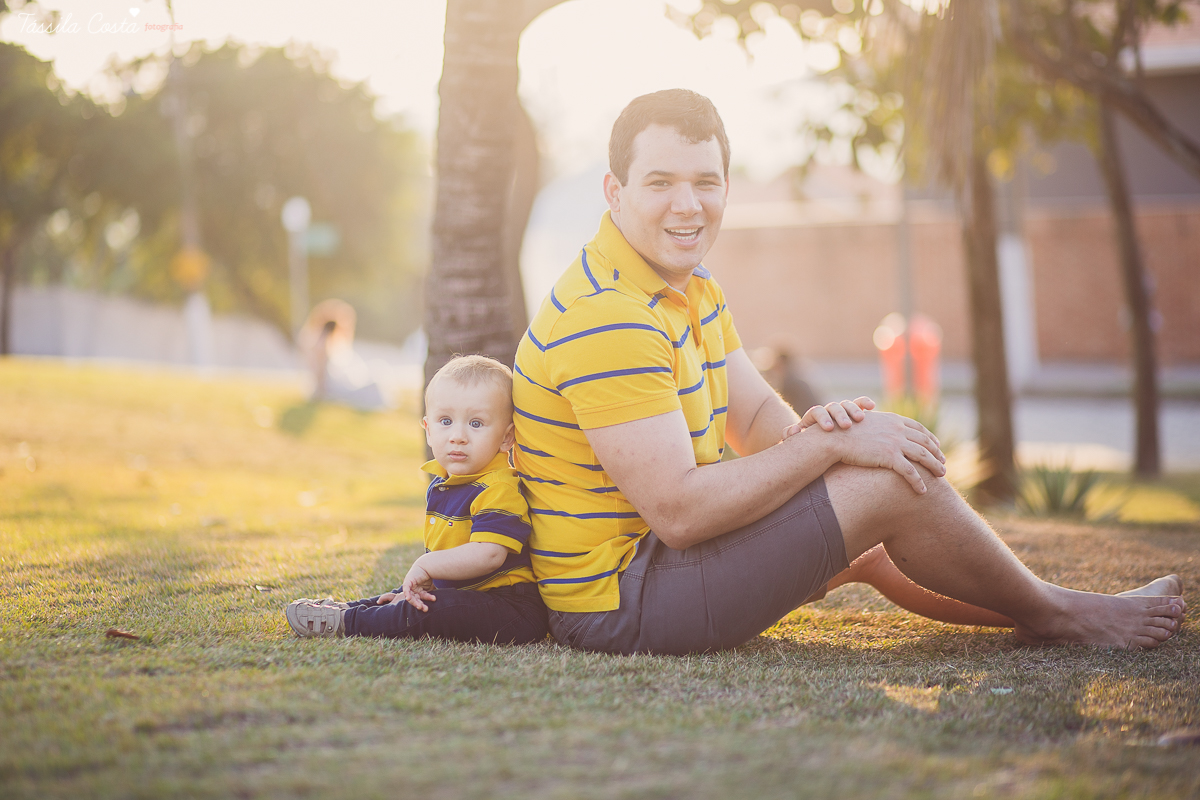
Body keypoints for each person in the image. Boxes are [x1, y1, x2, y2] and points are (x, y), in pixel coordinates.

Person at [511, 88, 1185, 656]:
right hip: (620, 600)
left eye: (706, 182)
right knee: (883, 487)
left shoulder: (689, 284)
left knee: (863, 514)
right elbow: (680, 513)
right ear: (615, 190)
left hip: (657, 566)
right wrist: (829, 448)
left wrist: (825, 434)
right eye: (660, 183)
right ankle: (1066, 614)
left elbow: (751, 419)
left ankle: (1056, 613)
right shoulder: (609, 315)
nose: (688, 206)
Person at [285, 355, 548, 644]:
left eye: (476, 423)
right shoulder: (443, 483)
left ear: (507, 437)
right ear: (428, 429)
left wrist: (427, 565)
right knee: (409, 595)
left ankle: (349, 621)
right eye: (445, 421)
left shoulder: (498, 488)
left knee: (430, 611)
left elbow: (489, 554)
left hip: (509, 609)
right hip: (465, 595)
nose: (457, 436)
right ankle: (359, 606)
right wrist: (423, 576)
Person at [297, 299, 388, 411]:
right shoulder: (322, 344)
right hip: (332, 387)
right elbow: (320, 371)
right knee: (374, 384)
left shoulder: (323, 343)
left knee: (375, 380)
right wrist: (320, 393)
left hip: (336, 385)